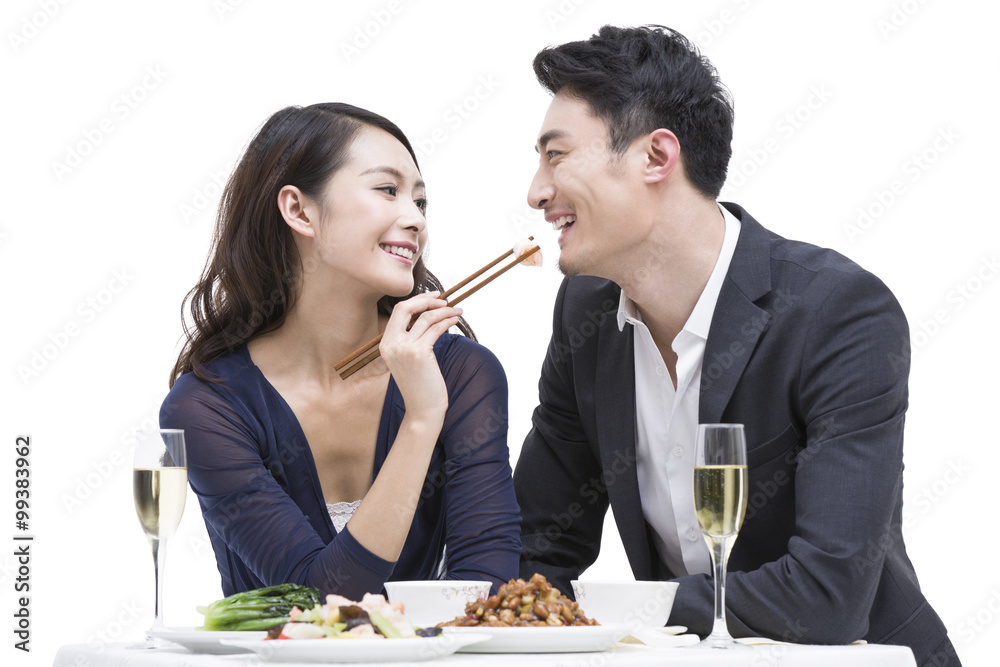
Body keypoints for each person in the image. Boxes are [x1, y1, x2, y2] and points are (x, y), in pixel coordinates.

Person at [512, 25, 960, 667]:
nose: (536, 192)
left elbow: (825, 596)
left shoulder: (837, 312)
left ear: (656, 158)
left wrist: (622, 611)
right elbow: (538, 550)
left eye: (556, 156)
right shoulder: (586, 314)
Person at [161, 102, 520, 600]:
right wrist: (420, 422)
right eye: (387, 190)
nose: (415, 219)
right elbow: (322, 599)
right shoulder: (207, 405)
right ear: (298, 210)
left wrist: (428, 406)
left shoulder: (462, 374)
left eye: (421, 202)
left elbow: (488, 587)